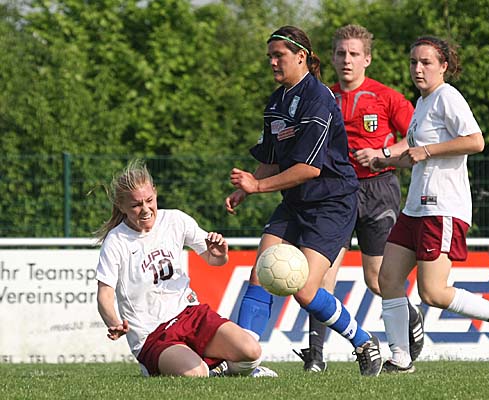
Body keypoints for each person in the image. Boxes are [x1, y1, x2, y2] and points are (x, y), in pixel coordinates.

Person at [225, 25, 383, 376]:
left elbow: (309, 168)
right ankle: (243, 360)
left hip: (332, 203)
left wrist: (257, 186)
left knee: (305, 290)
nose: (272, 62)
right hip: (296, 202)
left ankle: (363, 342)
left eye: (278, 55)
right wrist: (245, 189)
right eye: (269, 56)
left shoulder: (318, 99)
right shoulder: (276, 102)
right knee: (261, 272)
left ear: (301, 57)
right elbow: (271, 159)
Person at [370, 35, 489, 373]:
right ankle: (400, 359)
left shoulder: (448, 97)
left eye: (426, 62)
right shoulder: (422, 103)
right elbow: (415, 155)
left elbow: (476, 141)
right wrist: (384, 160)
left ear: (443, 66)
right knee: (388, 278)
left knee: (432, 293)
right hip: (415, 208)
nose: (418, 68)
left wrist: (426, 150)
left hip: (441, 207)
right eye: (413, 62)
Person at [294, 24, 424, 373]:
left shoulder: (386, 97)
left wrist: (382, 153)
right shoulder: (323, 97)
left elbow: (416, 139)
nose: (346, 60)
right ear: (332, 57)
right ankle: (316, 357)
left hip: (378, 189)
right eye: (341, 53)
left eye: (354, 54)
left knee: (377, 277)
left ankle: (411, 316)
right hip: (335, 193)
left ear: (367, 59)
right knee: (320, 277)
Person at [96, 159, 270, 378]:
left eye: (149, 200)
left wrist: (219, 254)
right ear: (122, 206)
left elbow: (215, 260)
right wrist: (113, 322)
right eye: (136, 205)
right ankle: (190, 366)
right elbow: (104, 294)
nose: (145, 209)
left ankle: (220, 368)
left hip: (190, 313)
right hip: (151, 334)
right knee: (195, 373)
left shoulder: (175, 220)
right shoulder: (116, 240)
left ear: (155, 193)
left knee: (252, 351)